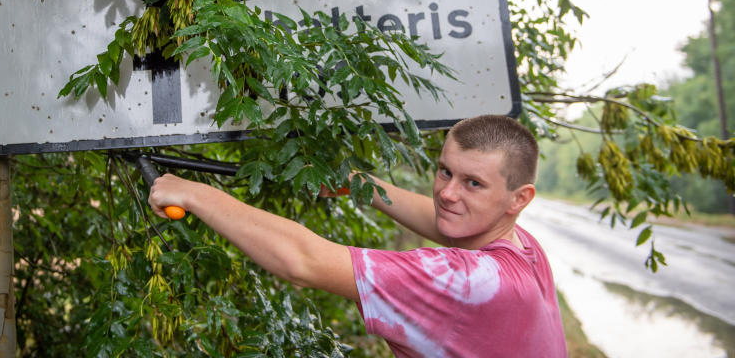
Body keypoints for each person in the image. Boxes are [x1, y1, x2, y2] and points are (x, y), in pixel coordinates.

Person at [148, 114, 567, 358]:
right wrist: (359, 184)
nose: (447, 192)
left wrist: (194, 193)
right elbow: (441, 217)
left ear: (519, 198)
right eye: (445, 171)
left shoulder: (473, 283)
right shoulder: (522, 249)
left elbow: (303, 261)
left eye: (473, 183)